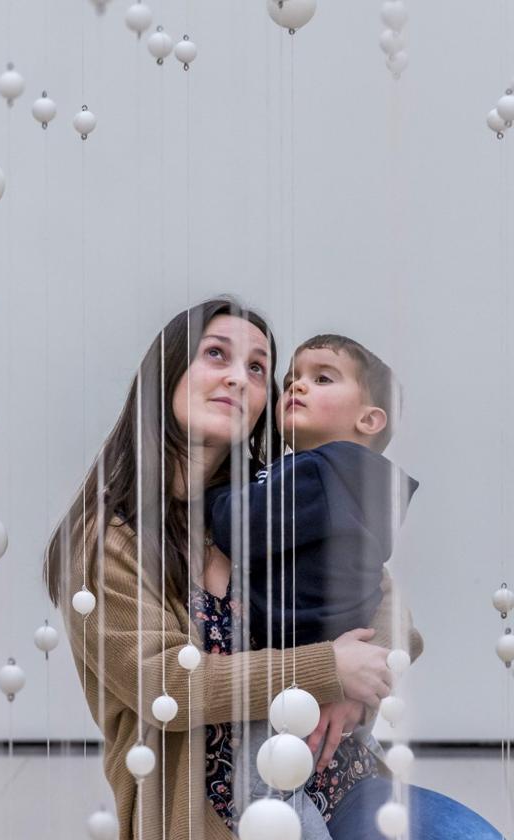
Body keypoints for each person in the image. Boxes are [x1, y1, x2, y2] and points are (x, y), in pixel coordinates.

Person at [43, 298, 500, 839]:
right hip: (221, 817)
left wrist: (351, 691)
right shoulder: (110, 538)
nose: (238, 378)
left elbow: (390, 610)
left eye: (257, 368)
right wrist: (325, 668)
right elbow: (163, 685)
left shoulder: (273, 503)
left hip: (343, 783)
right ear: (167, 373)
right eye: (217, 355)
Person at [203, 335, 419, 839]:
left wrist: (213, 493)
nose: (296, 384)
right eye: (291, 379)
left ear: (369, 420)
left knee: (267, 800)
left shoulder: (323, 472)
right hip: (331, 677)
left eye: (322, 378)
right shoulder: (340, 481)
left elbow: (241, 527)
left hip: (298, 680)